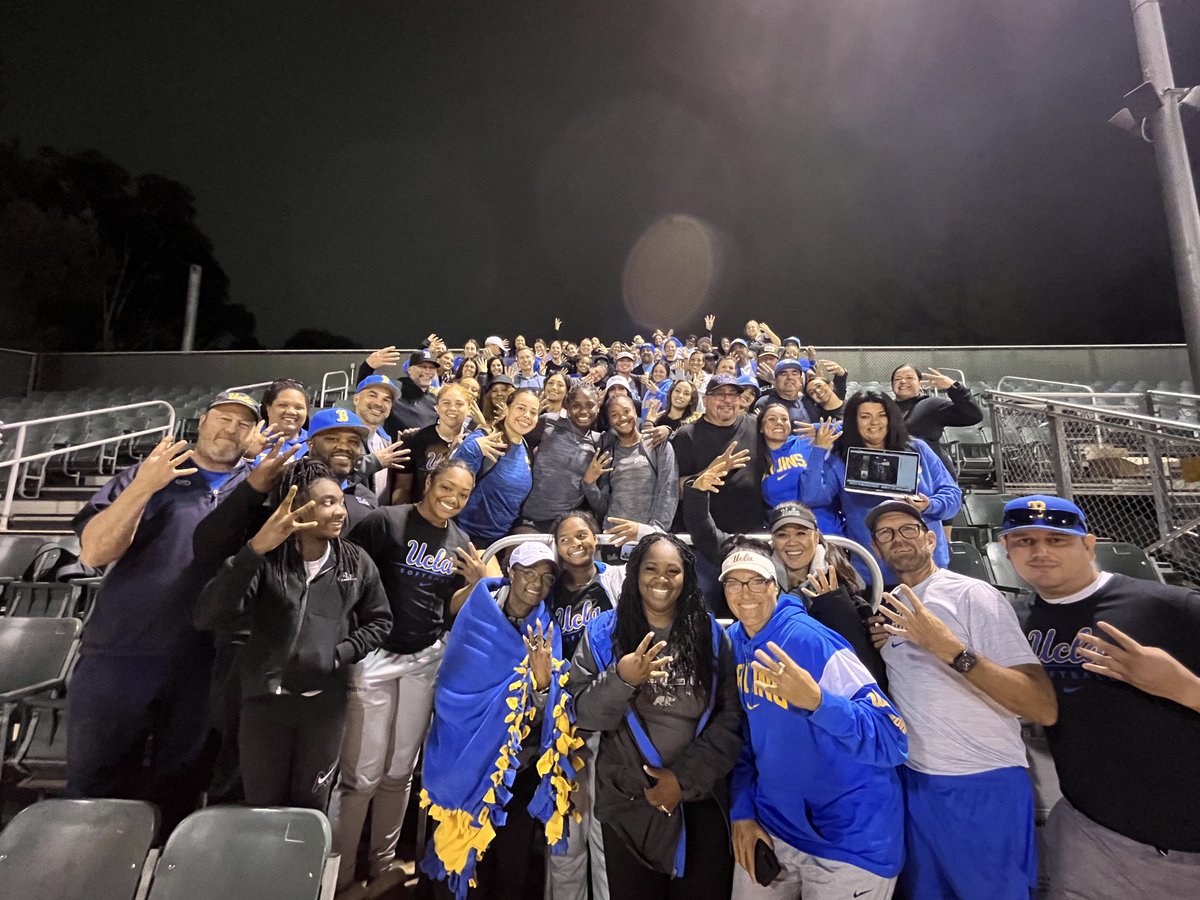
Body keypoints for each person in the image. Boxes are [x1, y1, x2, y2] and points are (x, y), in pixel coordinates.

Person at [68, 390, 259, 833]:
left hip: (203, 661)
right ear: (202, 421)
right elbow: (95, 551)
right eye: (223, 418)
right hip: (123, 652)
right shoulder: (151, 472)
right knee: (95, 788)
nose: (231, 429)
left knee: (178, 791)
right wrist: (142, 487)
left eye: (243, 423)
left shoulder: (253, 486)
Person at [1002, 495, 1200, 899]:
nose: (1039, 551)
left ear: (1088, 545)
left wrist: (1182, 687)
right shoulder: (1014, 620)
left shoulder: (1169, 606)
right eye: (1023, 541)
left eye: (1057, 540)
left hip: (1184, 843)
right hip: (1089, 830)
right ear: (1006, 550)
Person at [864, 499, 1056, 900]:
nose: (897, 538)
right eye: (885, 534)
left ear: (931, 539)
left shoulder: (972, 594)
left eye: (907, 529)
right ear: (876, 548)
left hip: (982, 780)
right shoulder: (889, 606)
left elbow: (1040, 706)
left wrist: (948, 648)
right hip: (915, 782)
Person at [330, 459, 494, 895]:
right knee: (361, 775)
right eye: (447, 488)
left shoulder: (460, 541)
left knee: (400, 770)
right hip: (375, 654)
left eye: (462, 494)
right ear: (429, 482)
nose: (453, 499)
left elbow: (448, 607)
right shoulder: (386, 521)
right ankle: (340, 874)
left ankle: (382, 864)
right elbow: (344, 574)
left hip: (424, 657)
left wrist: (477, 584)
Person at [193, 460, 392, 810]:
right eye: (327, 502)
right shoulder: (267, 559)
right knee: (262, 808)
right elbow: (208, 615)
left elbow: (381, 621)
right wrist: (253, 551)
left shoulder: (356, 562)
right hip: (264, 706)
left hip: (324, 710)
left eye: (340, 501)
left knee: (309, 809)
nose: (340, 511)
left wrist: (340, 653)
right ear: (299, 507)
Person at [723, 544, 908, 900]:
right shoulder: (734, 643)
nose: (745, 593)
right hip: (777, 825)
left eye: (756, 582)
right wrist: (742, 810)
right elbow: (744, 739)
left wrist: (819, 703)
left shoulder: (812, 640)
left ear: (775, 586)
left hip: (850, 837)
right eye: (734, 583)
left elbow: (891, 737)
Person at [569, 533, 743, 900]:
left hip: (699, 803)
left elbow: (731, 719)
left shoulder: (710, 634)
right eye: (651, 568)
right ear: (634, 573)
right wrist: (622, 680)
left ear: (686, 578)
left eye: (672, 570)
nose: (661, 579)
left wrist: (681, 780)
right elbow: (579, 714)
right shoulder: (603, 633)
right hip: (630, 805)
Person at [420, 543, 581, 900]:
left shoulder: (546, 631)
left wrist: (541, 684)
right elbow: (452, 687)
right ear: (510, 571)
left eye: (545, 577)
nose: (536, 584)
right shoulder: (477, 610)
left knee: (510, 863)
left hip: (515, 767)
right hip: (460, 754)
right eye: (528, 573)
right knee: (457, 855)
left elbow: (546, 716)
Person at [682, 447, 883, 683]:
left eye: (801, 533)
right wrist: (697, 491)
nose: (792, 542)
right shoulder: (756, 561)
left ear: (817, 536)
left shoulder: (839, 578)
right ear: (772, 540)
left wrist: (834, 602)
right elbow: (706, 536)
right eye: (782, 535)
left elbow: (859, 657)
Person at [814, 391, 961, 585]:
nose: (874, 423)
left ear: (891, 418)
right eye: (865, 416)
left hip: (928, 570)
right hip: (874, 573)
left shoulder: (918, 448)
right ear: (853, 421)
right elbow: (814, 497)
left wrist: (929, 505)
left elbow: (952, 496)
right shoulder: (841, 458)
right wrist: (818, 451)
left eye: (881, 415)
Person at [673, 374, 766, 536]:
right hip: (703, 539)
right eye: (720, 394)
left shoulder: (755, 425)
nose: (727, 400)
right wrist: (709, 472)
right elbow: (673, 491)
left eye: (733, 394)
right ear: (705, 399)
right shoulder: (686, 435)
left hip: (751, 534)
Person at [452, 387, 539, 547]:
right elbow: (450, 477)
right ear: (506, 409)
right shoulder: (484, 439)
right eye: (521, 408)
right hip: (469, 537)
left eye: (533, 412)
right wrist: (471, 448)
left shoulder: (525, 446)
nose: (527, 416)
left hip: (502, 540)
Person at [584, 392, 679, 534]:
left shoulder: (656, 443)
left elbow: (669, 489)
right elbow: (603, 506)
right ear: (609, 421)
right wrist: (589, 484)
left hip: (648, 534)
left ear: (635, 412)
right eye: (614, 415)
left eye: (626, 411)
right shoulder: (609, 454)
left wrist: (654, 530)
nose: (622, 418)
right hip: (614, 536)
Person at [519, 382, 602, 531]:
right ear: (567, 407)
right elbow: (518, 443)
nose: (584, 411)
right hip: (532, 517)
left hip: (566, 522)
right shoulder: (548, 422)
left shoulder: (600, 441)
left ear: (598, 407)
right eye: (576, 405)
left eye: (590, 405)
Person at [890, 364, 983, 473]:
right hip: (899, 473)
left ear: (920, 384)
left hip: (930, 475)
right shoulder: (884, 409)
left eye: (909, 378)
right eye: (897, 379)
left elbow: (974, 415)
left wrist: (953, 387)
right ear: (892, 385)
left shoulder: (932, 405)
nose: (903, 381)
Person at [758, 403, 841, 526]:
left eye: (784, 419)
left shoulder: (807, 441)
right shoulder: (757, 456)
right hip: (786, 527)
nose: (779, 422)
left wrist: (818, 428)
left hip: (825, 526)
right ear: (761, 427)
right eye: (771, 419)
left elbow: (852, 427)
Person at [391, 382, 470, 505]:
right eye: (446, 403)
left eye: (459, 404)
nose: (453, 408)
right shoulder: (415, 439)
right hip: (418, 511)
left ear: (469, 409)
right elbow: (403, 486)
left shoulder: (474, 442)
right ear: (436, 408)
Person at [359, 347, 439, 433]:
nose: (428, 371)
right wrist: (367, 368)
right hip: (396, 444)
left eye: (432, 368)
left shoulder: (434, 399)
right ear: (409, 370)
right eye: (422, 367)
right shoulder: (396, 387)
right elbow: (366, 388)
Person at [353, 374, 403, 502]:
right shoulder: (340, 437)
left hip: (377, 516)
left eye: (386, 400)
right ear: (356, 399)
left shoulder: (386, 440)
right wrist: (373, 462)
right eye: (372, 395)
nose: (379, 403)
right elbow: (332, 476)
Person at [245, 378, 309, 463]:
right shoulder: (248, 438)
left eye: (299, 407)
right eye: (283, 405)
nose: (291, 412)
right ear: (268, 408)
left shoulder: (314, 442)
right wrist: (247, 456)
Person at [752, 360, 810, 427]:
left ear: (801, 380)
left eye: (794, 373)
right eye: (783, 374)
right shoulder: (765, 403)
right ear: (775, 380)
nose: (790, 377)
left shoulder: (807, 401)